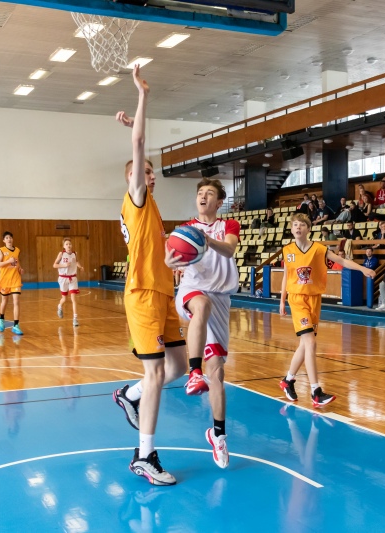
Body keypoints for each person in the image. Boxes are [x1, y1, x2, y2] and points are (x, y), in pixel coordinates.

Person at [111, 65, 188, 486]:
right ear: (132, 178)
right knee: (156, 373)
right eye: (144, 171)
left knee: (178, 366)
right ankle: (145, 457)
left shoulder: (153, 211)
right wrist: (142, 95)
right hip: (141, 294)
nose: (150, 175)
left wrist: (173, 264)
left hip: (161, 291)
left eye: (153, 171)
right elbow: (138, 142)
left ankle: (130, 394)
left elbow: (153, 251)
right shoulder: (136, 198)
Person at [175, 177, 239, 469]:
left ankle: (219, 435)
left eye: (209, 193)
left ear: (219, 201)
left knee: (218, 376)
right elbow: (173, 257)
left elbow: (230, 250)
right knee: (200, 305)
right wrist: (174, 262)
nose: (203, 196)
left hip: (220, 298)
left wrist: (207, 240)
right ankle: (193, 371)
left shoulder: (229, 225)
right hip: (193, 290)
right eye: (200, 192)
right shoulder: (185, 229)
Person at [278, 213, 375, 406]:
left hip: (314, 298)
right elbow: (286, 276)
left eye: (302, 225)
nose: (298, 227)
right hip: (297, 298)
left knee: (304, 344)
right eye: (295, 225)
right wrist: (282, 300)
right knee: (310, 343)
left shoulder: (318, 249)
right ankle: (316, 391)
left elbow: (342, 261)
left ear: (308, 229)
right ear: (291, 229)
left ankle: (288, 380)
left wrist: (362, 269)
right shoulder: (287, 250)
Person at [0, 231, 24, 335]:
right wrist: (8, 261)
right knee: (5, 301)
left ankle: (16, 325)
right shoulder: (1, 250)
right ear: (4, 240)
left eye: (10, 237)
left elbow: (17, 262)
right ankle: (1, 318)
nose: (9, 239)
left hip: (15, 279)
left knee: (16, 301)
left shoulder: (17, 250)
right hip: (5, 279)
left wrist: (20, 269)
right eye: (7, 238)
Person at [53, 237, 85, 327]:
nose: (69, 245)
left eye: (70, 244)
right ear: (64, 246)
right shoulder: (61, 254)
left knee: (73, 299)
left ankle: (75, 319)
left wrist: (80, 267)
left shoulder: (75, 253)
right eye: (66, 244)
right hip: (63, 278)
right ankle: (60, 306)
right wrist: (64, 265)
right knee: (64, 299)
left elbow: (76, 261)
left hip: (73, 278)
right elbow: (54, 265)